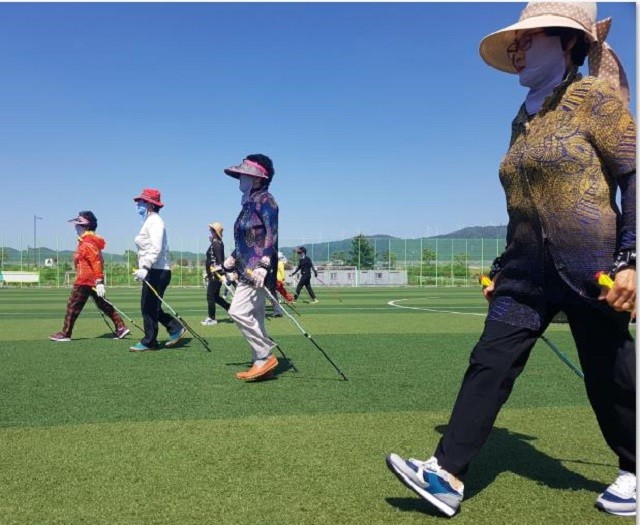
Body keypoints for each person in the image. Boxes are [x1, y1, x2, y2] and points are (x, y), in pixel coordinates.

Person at [386, 2, 636, 518]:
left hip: (592, 268)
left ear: (569, 42)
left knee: (608, 372)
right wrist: (501, 269)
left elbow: (633, 176)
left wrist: (631, 258)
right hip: (524, 274)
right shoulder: (521, 119)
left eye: (529, 37)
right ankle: (446, 474)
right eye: (514, 41)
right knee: (490, 362)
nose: (516, 48)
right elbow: (521, 202)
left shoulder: (594, 99)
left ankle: (634, 468)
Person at [222, 154, 280, 381]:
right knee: (256, 316)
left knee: (236, 311)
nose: (241, 179)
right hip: (246, 267)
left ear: (257, 178)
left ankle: (264, 354)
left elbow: (271, 234)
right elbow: (247, 238)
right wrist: (232, 257)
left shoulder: (266, 200)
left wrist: (264, 264)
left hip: (257, 269)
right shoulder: (248, 203)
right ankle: (261, 363)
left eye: (244, 175)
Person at [49, 211, 130, 342]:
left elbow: (96, 261)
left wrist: (99, 281)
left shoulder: (87, 242)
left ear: (85, 226)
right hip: (91, 280)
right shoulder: (88, 241)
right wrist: (98, 281)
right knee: (103, 304)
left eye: (78, 225)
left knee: (72, 305)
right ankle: (121, 327)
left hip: (85, 280)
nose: (75, 227)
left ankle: (65, 333)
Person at [130, 188, 186, 352]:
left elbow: (156, 247)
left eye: (141, 201)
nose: (137, 204)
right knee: (151, 305)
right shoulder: (148, 221)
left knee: (148, 306)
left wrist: (145, 267)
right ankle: (175, 327)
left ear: (149, 204)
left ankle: (149, 341)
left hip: (158, 270)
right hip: (153, 270)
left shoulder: (155, 221)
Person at [201, 222, 231, 326]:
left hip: (216, 274)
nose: (210, 231)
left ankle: (212, 318)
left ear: (215, 231)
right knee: (215, 296)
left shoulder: (216, 243)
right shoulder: (215, 242)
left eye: (211, 230)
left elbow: (220, 260)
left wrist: (221, 273)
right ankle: (230, 309)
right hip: (212, 274)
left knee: (210, 295)